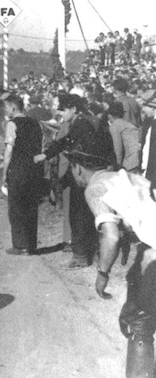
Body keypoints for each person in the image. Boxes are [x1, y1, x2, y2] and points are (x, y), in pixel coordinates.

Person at [67, 149, 156, 378]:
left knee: (139, 322)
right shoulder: (127, 177)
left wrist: (103, 273)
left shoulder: (95, 189)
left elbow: (111, 236)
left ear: (77, 168)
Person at [34, 94, 115, 267]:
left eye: (64, 109)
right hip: (101, 172)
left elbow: (66, 142)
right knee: (94, 213)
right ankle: (94, 251)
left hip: (84, 174)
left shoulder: (81, 123)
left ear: (74, 109)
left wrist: (45, 154)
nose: (61, 113)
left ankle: (80, 256)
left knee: (78, 214)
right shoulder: (95, 120)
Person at [2, 94, 44, 255]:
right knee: (31, 207)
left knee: (16, 208)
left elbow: (9, 151)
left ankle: (20, 245)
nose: (5, 110)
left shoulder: (12, 124)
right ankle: (31, 245)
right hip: (34, 169)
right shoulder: (36, 123)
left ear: (13, 107)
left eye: (6, 107)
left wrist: (4, 173)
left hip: (18, 169)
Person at [108, 101, 141, 173]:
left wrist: (117, 167)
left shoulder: (115, 126)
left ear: (110, 115)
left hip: (130, 162)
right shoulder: (128, 124)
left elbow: (118, 149)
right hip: (138, 158)